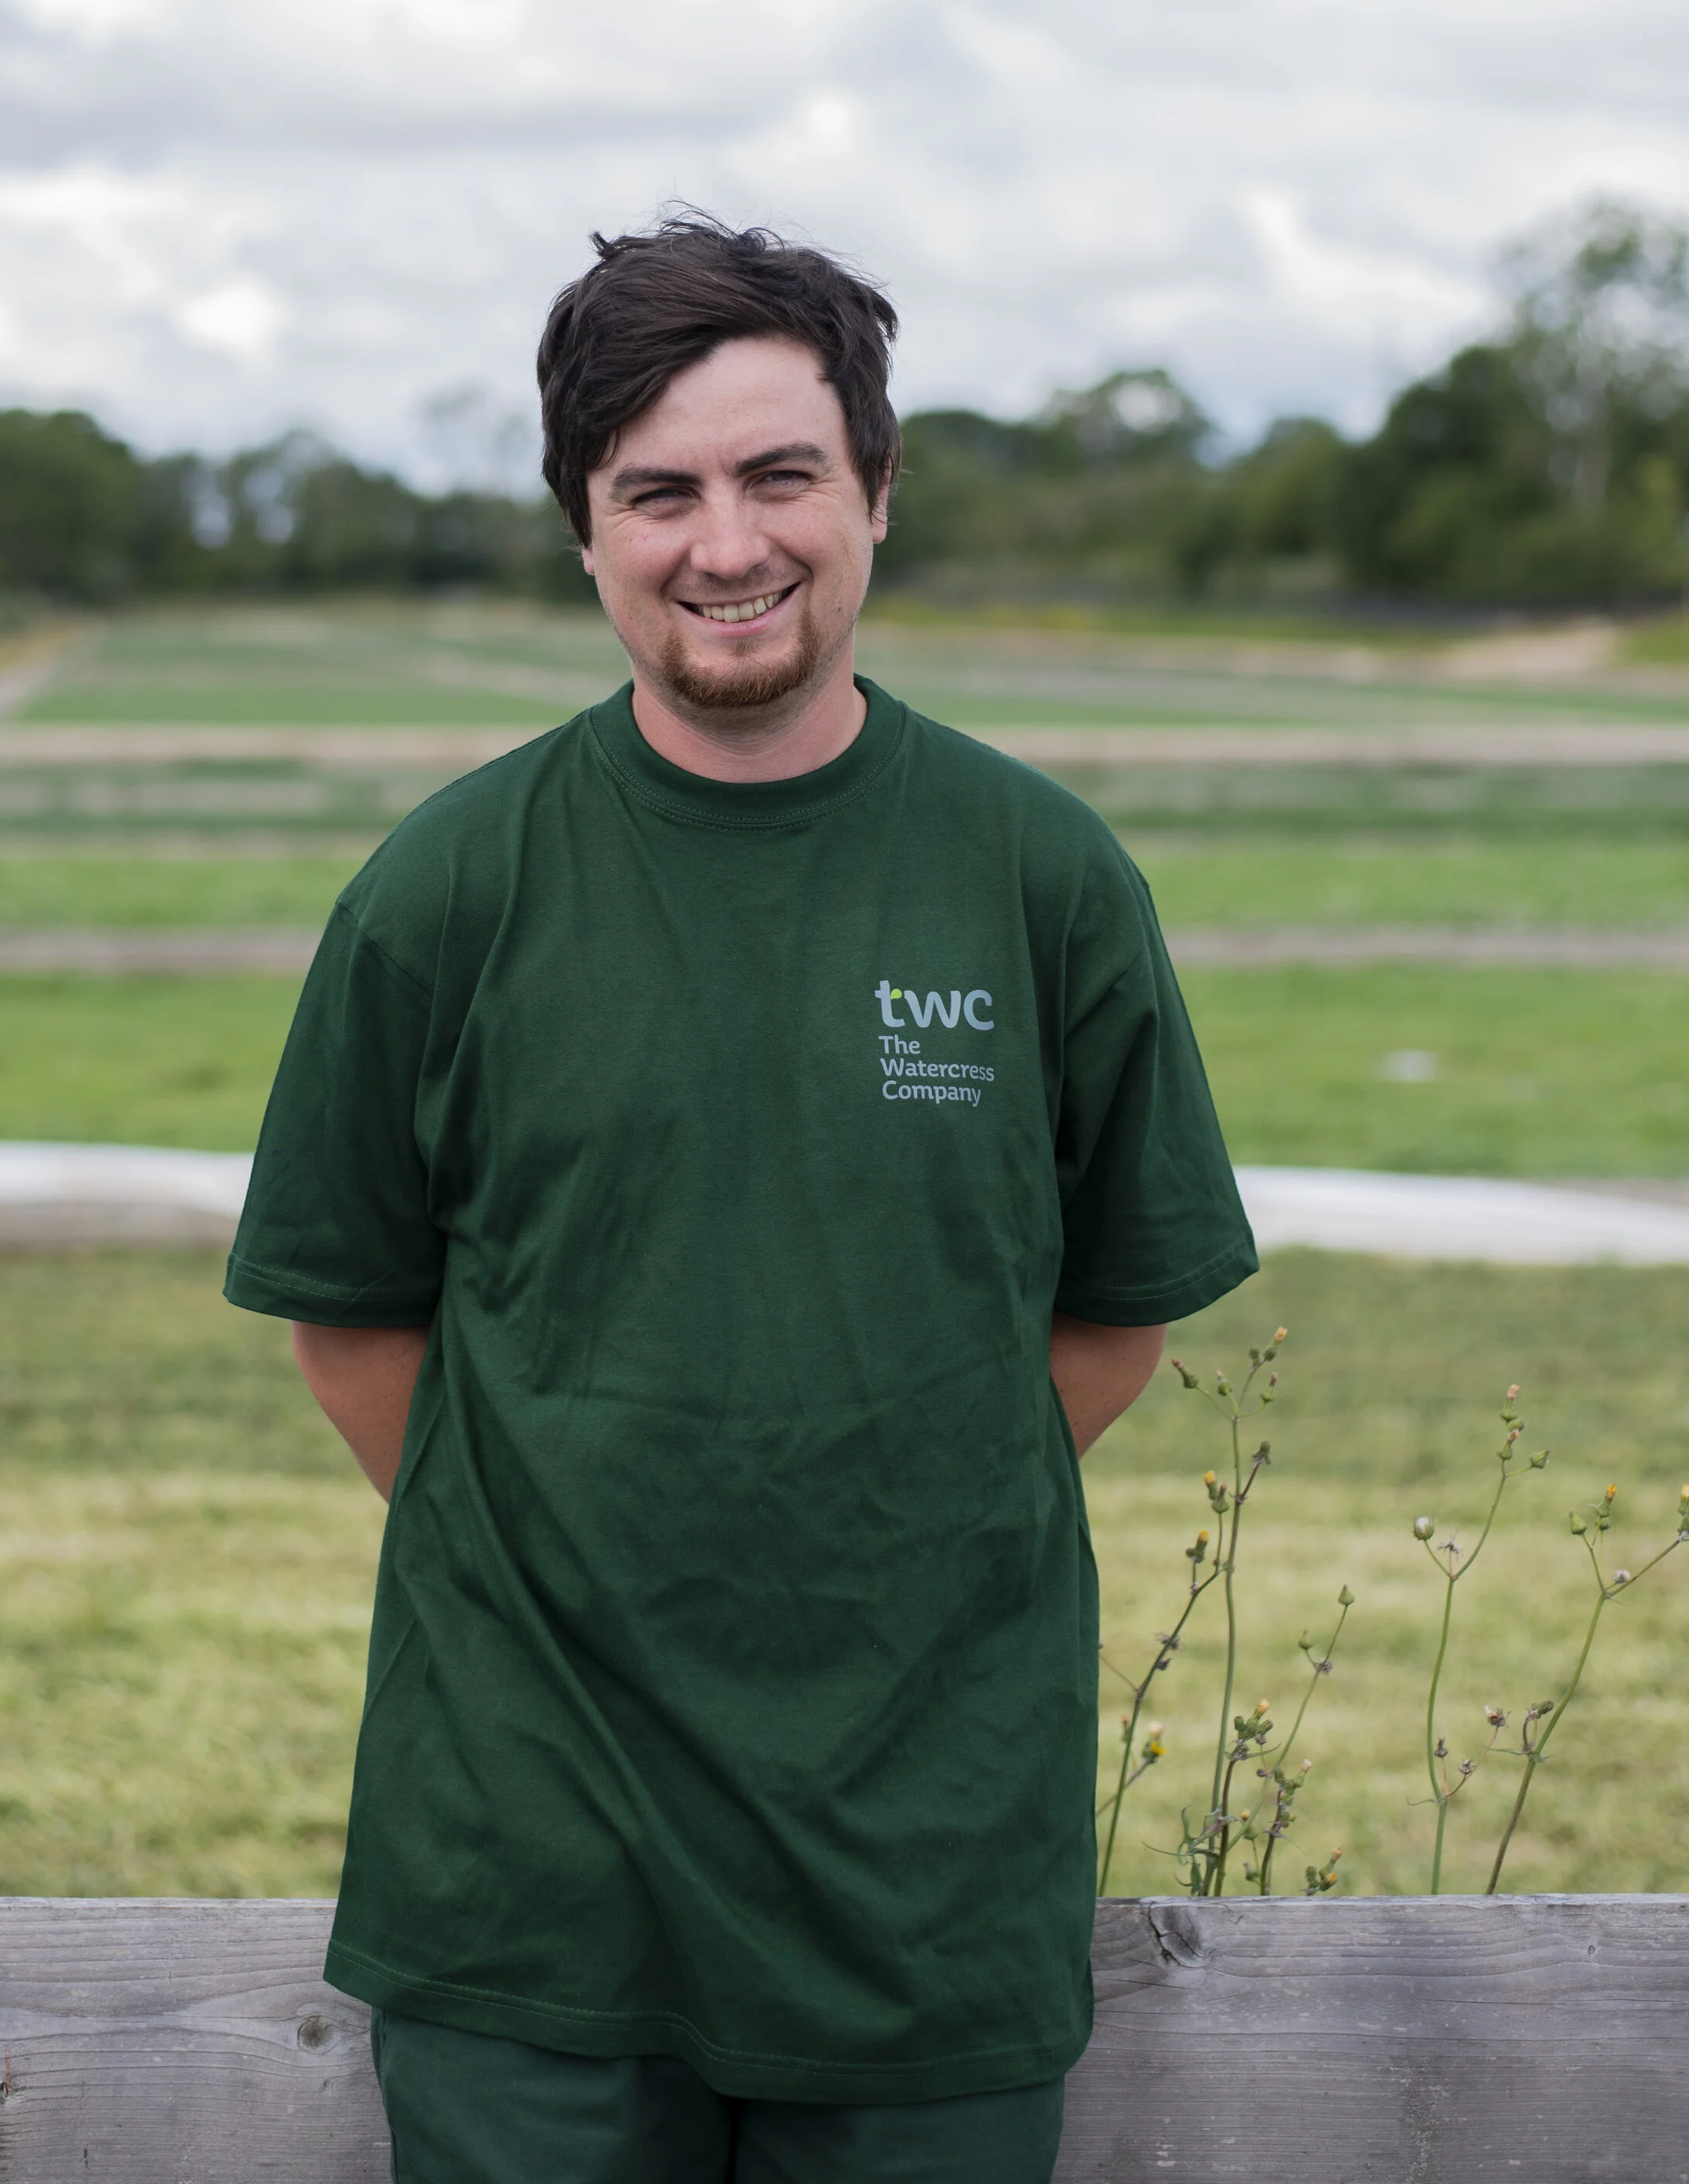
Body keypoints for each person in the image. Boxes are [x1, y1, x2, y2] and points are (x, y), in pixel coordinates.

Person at [225, 215, 1256, 2184]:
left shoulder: (1039, 879)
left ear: (874, 489)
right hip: (528, 1879)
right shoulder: (445, 891)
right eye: (657, 491)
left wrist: (889, 1521)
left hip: (925, 1883)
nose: (726, 543)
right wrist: (568, 1542)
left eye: (779, 474)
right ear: (582, 528)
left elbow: (1115, 1315)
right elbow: (350, 1327)